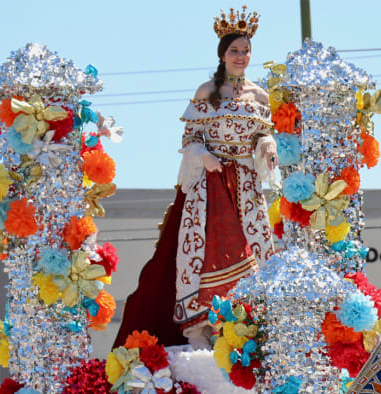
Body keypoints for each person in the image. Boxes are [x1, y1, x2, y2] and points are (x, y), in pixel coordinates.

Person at [114, 6, 277, 348]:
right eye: (235, 50)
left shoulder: (260, 96)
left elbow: (262, 133)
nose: (241, 56)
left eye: (246, 50)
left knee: (255, 250)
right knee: (208, 253)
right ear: (222, 53)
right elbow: (190, 138)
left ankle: (246, 327)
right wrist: (202, 155)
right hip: (212, 186)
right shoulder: (207, 91)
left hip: (245, 185)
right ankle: (202, 329)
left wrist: (266, 146)